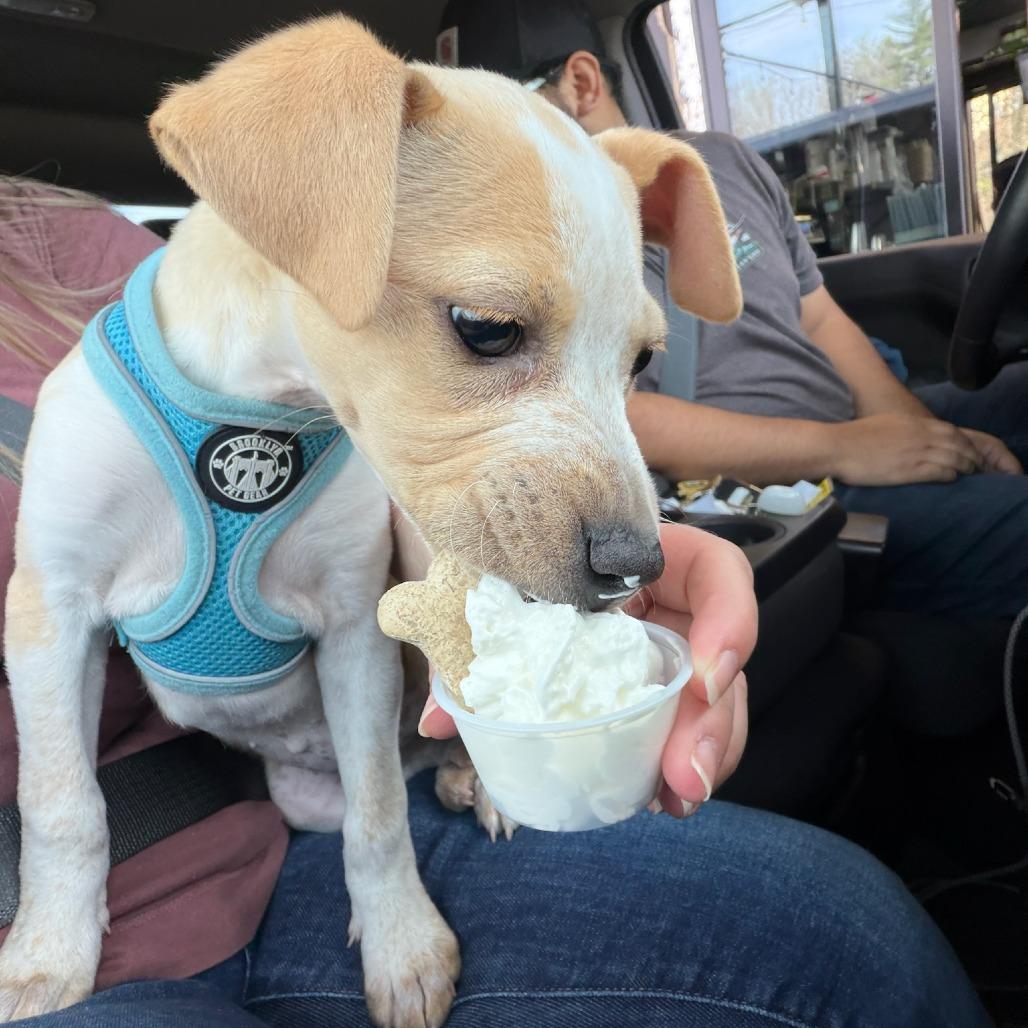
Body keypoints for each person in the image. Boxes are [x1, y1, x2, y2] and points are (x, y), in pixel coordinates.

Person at [0, 187, 993, 1026]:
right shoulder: (105, 380)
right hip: (103, 879)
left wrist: (524, 597)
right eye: (490, 325)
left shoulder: (80, 239)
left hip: (303, 793)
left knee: (852, 942)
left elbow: (350, 386)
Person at [437, 0, 1028, 621]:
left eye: (505, 111)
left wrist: (912, 434)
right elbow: (616, 416)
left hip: (851, 426)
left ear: (581, 83)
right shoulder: (514, 242)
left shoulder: (721, 160)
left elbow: (820, 317)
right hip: (772, 488)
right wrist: (847, 450)